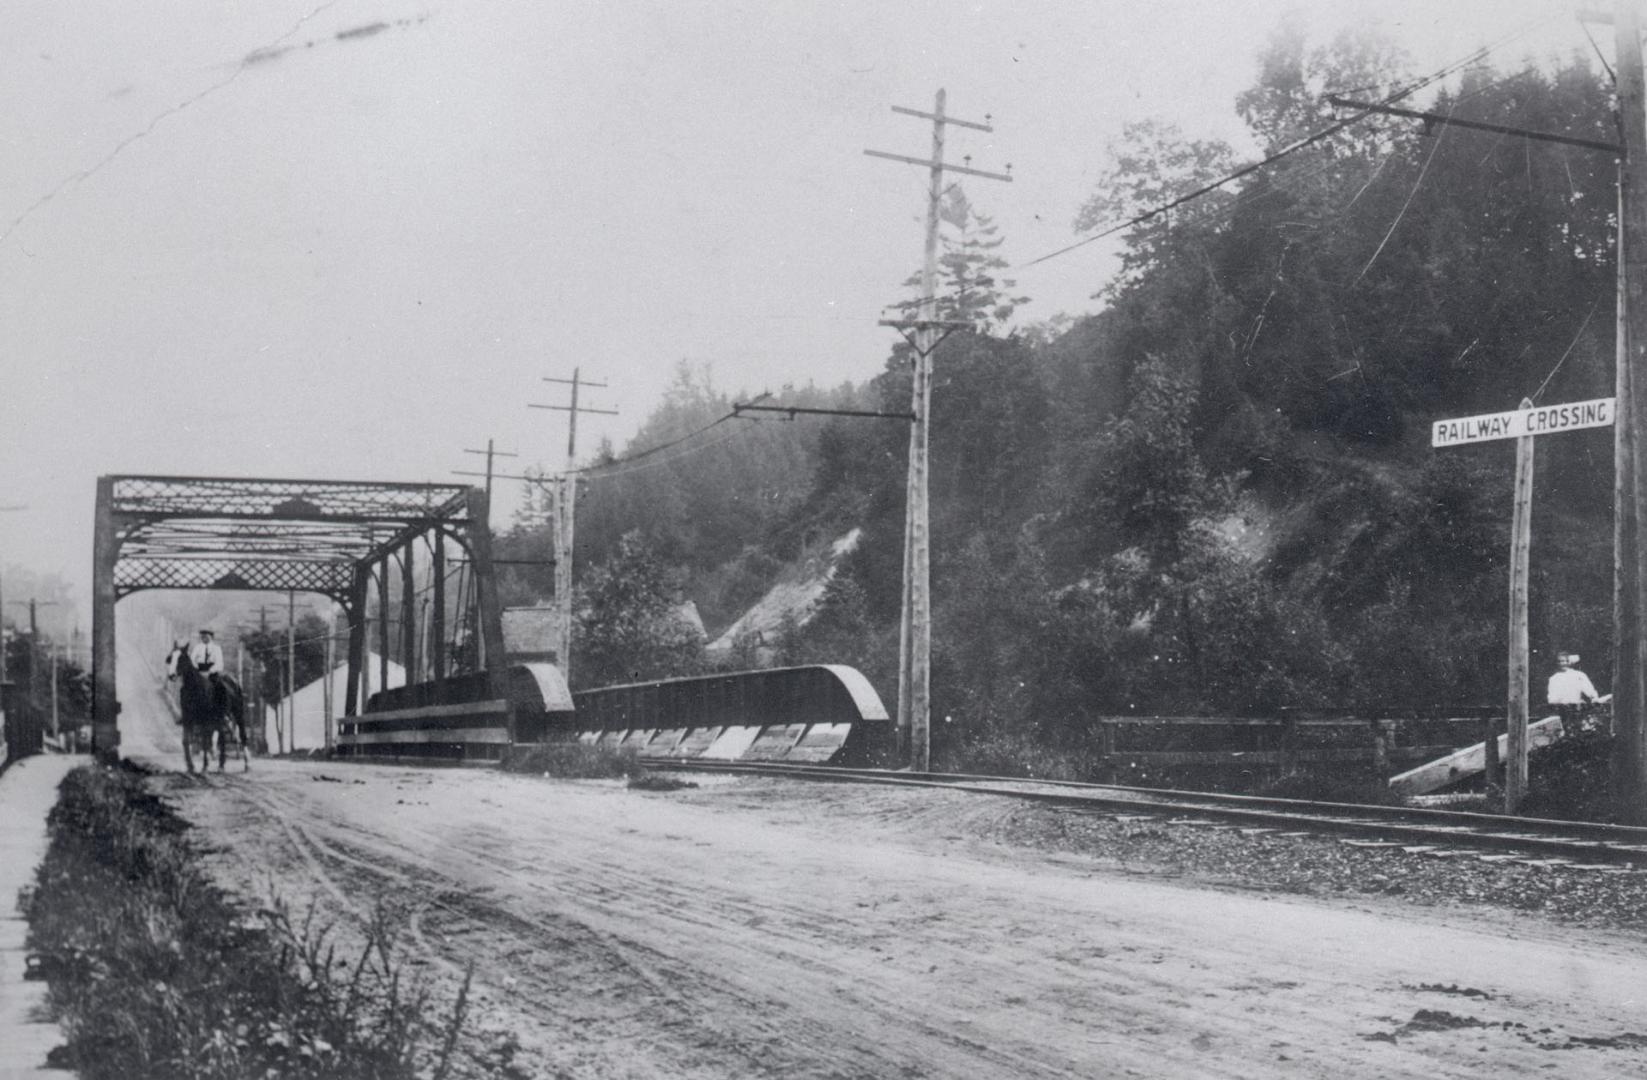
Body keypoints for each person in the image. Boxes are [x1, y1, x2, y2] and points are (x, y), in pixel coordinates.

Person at [1547, 652, 1602, 732]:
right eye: (1559, 661)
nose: (1562, 663)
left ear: (1569, 662)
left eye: (1564, 661)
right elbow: (1552, 697)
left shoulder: (1578, 675)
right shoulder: (1554, 678)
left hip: (1576, 709)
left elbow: (1589, 690)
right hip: (1560, 709)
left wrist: (1594, 698)